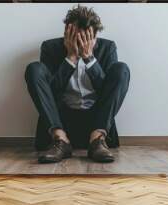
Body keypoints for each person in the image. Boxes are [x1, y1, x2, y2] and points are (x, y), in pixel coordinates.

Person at [25, 5, 130, 163]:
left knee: (122, 69)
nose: (82, 44)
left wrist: (89, 59)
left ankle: (98, 140)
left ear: (95, 37)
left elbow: (107, 93)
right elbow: (50, 93)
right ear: (67, 34)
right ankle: (60, 141)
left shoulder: (107, 48)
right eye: (76, 38)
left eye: (87, 39)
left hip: (95, 121)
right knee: (34, 69)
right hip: (61, 122)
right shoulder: (50, 48)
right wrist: (71, 58)